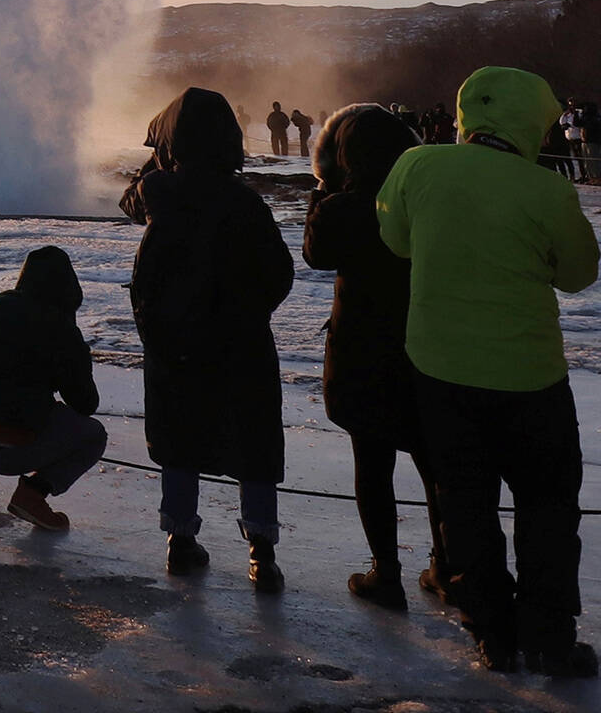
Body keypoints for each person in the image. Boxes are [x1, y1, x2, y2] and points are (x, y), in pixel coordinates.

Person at [377, 67, 599, 676]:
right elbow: (580, 273)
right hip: (530, 375)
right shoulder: (545, 189)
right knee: (548, 511)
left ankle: (491, 634)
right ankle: (550, 639)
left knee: (466, 505)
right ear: (529, 121)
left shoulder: (417, 167)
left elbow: (395, 240)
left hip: (440, 370)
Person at [121, 88, 294, 588]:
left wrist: (156, 162)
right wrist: (249, 314)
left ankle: (180, 542)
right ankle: (262, 553)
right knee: (255, 442)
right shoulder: (245, 201)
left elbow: (130, 200)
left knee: (180, 440)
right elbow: (279, 274)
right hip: (242, 343)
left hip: (174, 342)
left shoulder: (158, 195)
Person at [303, 104, 445, 610]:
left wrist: (323, 192)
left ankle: (386, 573)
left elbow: (315, 255)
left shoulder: (345, 207)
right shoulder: (428, 199)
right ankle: (447, 567)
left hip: (363, 350)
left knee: (373, 464)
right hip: (429, 345)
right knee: (436, 464)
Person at [0, 246, 106, 531]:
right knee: (93, 435)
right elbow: (85, 404)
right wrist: (76, 356)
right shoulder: (61, 328)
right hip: (9, 451)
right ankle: (33, 493)